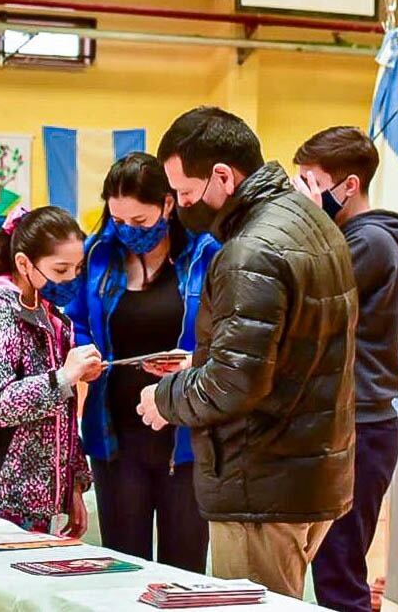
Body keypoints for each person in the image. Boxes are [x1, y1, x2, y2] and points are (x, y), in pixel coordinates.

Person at [136, 107, 358, 599]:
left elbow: (235, 385)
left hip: (262, 485)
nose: (182, 205)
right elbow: (292, 348)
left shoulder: (249, 250)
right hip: (309, 470)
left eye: (187, 193)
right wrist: (204, 359)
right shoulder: (311, 221)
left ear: (222, 176)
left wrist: (165, 398)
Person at [66, 153, 220, 571]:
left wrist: (193, 359)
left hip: (184, 435)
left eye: (140, 221)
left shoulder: (205, 256)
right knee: (122, 564)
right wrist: (85, 353)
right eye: (118, 221)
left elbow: (227, 333)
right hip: (114, 433)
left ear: (168, 205)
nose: (128, 232)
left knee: (183, 566)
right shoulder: (98, 254)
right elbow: (74, 321)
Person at [291, 126, 398, 612]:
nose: (303, 194)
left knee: (340, 570)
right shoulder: (349, 238)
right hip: (346, 420)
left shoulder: (367, 245)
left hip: (362, 425)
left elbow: (305, 300)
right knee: (331, 564)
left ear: (348, 186)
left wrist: (306, 227)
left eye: (312, 182)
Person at [0, 206, 99, 536]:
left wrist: (73, 482)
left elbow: (62, 415)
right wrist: (63, 377)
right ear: (24, 263)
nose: (72, 279)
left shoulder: (50, 316)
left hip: (39, 495)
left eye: (78, 268)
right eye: (61, 269)